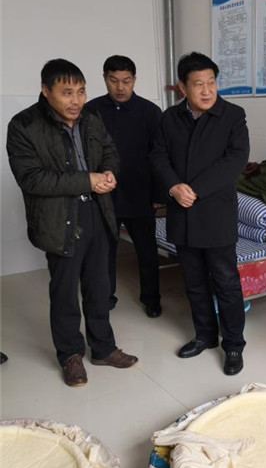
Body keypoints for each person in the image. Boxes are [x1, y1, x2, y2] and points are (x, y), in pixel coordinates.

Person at [7, 59, 138, 387]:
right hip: (59, 218)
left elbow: (109, 152)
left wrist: (108, 172)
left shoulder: (91, 118)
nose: (76, 100)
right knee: (65, 291)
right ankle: (70, 355)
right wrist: (87, 180)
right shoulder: (24, 125)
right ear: (45, 90)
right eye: (67, 92)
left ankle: (103, 348)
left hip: (97, 211)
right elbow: (32, 179)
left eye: (81, 91)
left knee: (99, 286)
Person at [150, 52, 249, 375]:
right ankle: (204, 335)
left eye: (211, 82)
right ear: (182, 87)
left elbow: (235, 160)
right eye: (198, 84)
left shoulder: (232, 116)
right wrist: (173, 187)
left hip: (215, 214)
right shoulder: (169, 118)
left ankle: (233, 345)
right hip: (181, 214)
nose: (207, 91)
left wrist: (193, 189)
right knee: (193, 282)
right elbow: (158, 157)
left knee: (226, 282)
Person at [87, 55, 163, 318]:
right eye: (114, 80)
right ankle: (106, 296)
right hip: (103, 193)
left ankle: (151, 298)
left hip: (140, 193)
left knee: (147, 251)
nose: (120, 87)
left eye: (126, 81)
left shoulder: (150, 112)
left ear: (134, 80)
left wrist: (158, 195)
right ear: (104, 79)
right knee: (104, 250)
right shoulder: (91, 110)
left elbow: (160, 156)